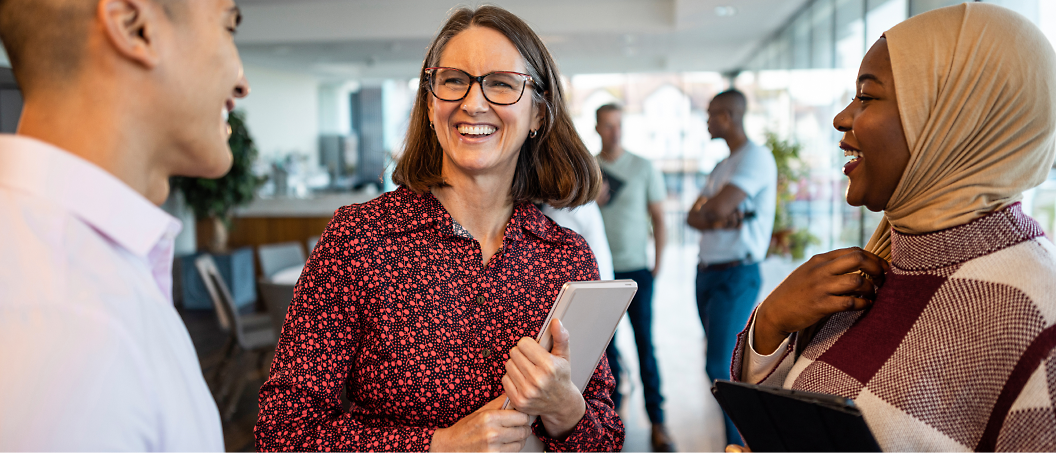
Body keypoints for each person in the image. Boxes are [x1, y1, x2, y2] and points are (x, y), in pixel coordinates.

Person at [255, 6, 624, 452]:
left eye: (502, 84)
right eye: (453, 80)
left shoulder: (566, 256)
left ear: (539, 115)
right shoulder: (358, 239)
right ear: (430, 103)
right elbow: (283, 431)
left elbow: (606, 439)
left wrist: (566, 410)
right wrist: (438, 446)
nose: (473, 102)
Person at [727, 3, 1056, 452]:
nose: (842, 118)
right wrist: (772, 323)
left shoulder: (1034, 315)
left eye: (867, 96)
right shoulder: (882, 261)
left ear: (949, 118)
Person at [0, 0, 250, 451]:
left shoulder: (73, 275)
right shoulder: (71, 326)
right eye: (229, 26)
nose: (242, 83)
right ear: (135, 27)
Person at [686, 89, 776, 446]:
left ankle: (739, 445)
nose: (707, 121)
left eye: (711, 114)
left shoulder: (755, 158)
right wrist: (713, 215)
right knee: (720, 365)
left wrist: (713, 214)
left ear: (728, 116)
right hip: (707, 272)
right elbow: (695, 217)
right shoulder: (722, 165)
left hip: (735, 275)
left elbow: (712, 210)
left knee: (722, 368)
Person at [595, 103, 676, 452]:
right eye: (608, 126)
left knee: (645, 345)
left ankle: (658, 422)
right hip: (598, 275)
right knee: (604, 350)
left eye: (619, 125)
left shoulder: (643, 167)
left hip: (636, 270)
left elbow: (658, 216)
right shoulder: (588, 169)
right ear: (597, 128)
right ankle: (612, 418)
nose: (615, 132)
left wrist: (658, 263)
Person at [541, 202, 614, 281]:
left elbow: (556, 260)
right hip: (598, 281)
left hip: (589, 285)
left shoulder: (566, 210)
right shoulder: (582, 203)